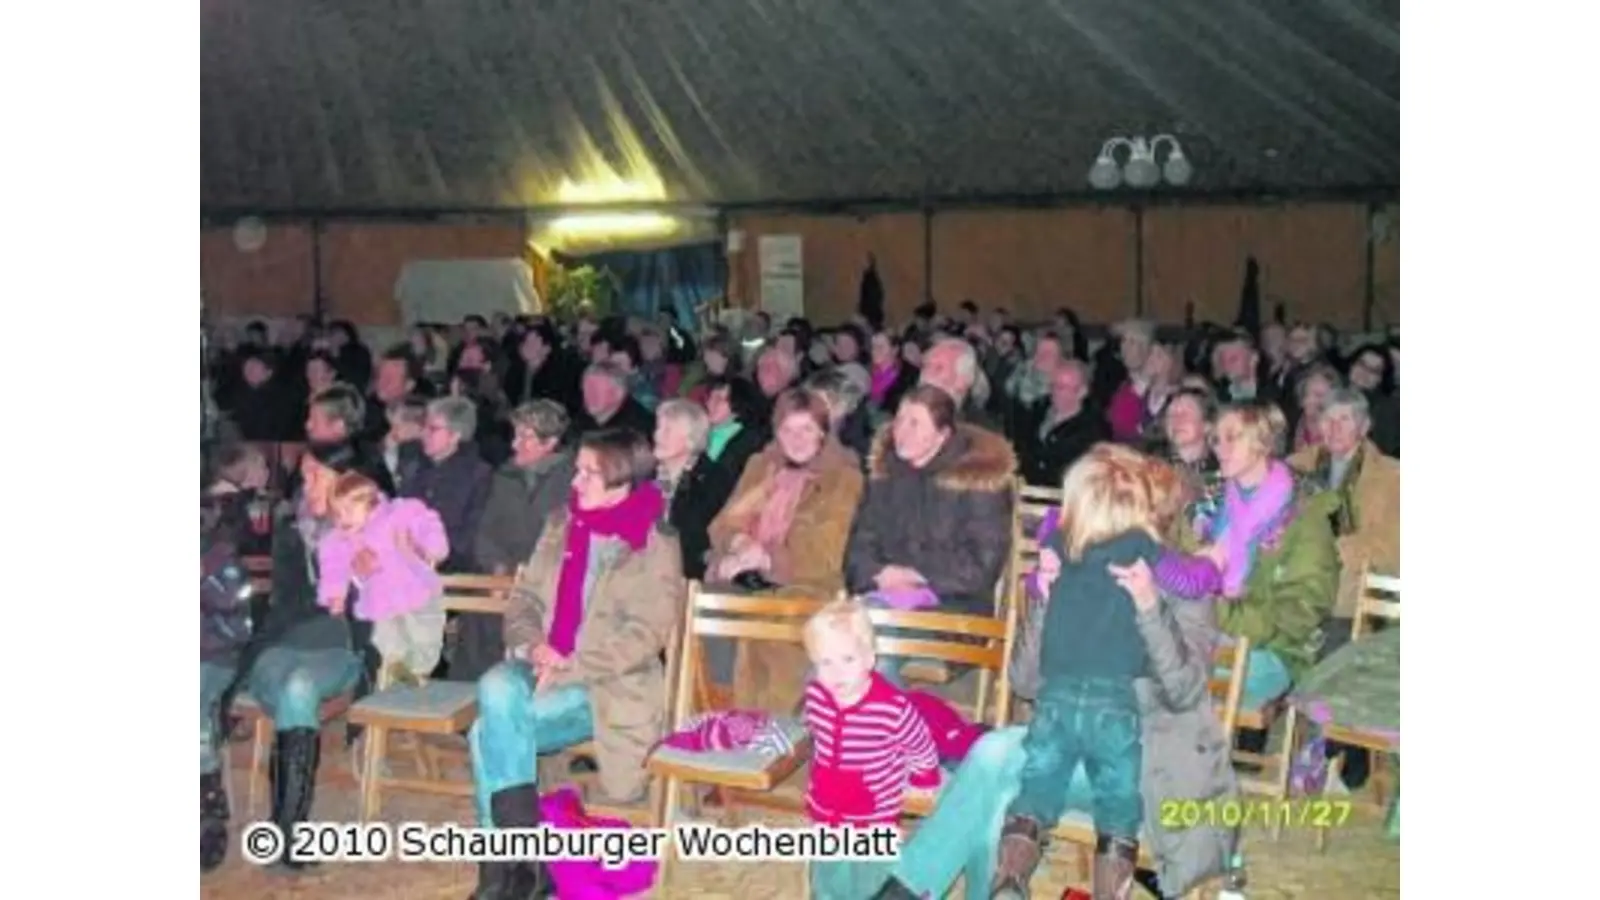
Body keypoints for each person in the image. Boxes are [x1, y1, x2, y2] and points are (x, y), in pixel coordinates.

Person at [465, 429, 684, 899]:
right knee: (496, 686)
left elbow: (645, 635)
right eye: (577, 469)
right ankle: (522, 870)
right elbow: (522, 601)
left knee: (486, 734)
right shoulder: (560, 524)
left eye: (589, 472)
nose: (576, 480)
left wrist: (570, 665)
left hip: (605, 686)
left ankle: (505, 871)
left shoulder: (654, 543)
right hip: (539, 665)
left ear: (622, 481)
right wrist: (532, 647)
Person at [705, 388, 865, 710]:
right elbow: (723, 523)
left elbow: (826, 552)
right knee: (702, 608)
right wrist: (740, 544)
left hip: (808, 585)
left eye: (807, 428)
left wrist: (766, 557)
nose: (797, 438)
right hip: (748, 578)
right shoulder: (760, 465)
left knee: (768, 629)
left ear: (823, 431)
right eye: (788, 429)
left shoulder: (844, 477)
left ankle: (774, 730)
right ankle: (713, 712)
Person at [803, 600, 941, 900]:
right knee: (827, 875)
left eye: (847, 659)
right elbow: (820, 741)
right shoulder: (815, 696)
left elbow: (921, 744)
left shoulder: (891, 707)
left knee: (871, 879)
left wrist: (924, 779)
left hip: (874, 813)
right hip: (827, 807)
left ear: (869, 659)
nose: (836, 672)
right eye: (825, 662)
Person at [317, 472, 449, 686]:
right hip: (380, 600)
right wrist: (334, 595)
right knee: (383, 635)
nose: (343, 519)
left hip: (417, 590)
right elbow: (333, 565)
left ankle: (418, 668)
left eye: (349, 511)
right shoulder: (342, 539)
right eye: (337, 514)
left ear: (370, 503)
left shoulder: (397, 514)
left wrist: (432, 547)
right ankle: (396, 664)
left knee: (425, 634)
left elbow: (425, 521)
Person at [654, 399, 736, 581]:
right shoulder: (646, 475)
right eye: (658, 428)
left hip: (687, 574)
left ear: (691, 441)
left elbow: (703, 540)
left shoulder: (714, 480)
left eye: (668, 430)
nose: (658, 436)